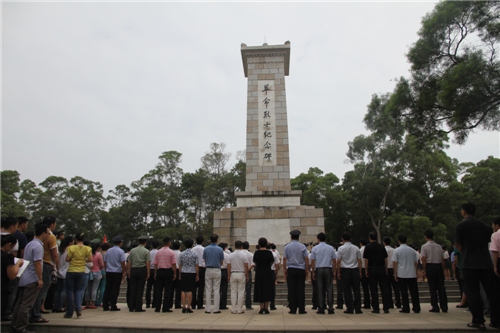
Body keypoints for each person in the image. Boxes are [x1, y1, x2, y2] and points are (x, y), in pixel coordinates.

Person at [455, 203, 500, 330]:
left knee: (473, 292)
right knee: (492, 292)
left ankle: (478, 321)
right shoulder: (485, 226)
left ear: (463, 212)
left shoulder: (461, 225)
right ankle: (496, 320)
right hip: (486, 263)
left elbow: (458, 244)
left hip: (470, 263)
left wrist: (467, 253)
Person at [11, 224, 50, 333]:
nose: (48, 236)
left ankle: (15, 325)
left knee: (20, 303)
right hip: (32, 278)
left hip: (24, 277)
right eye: (48, 233)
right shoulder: (38, 246)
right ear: (43, 234)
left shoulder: (29, 244)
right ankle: (21, 328)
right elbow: (38, 263)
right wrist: (40, 279)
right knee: (26, 304)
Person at [31, 217, 59, 323]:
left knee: (36, 291)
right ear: (52, 224)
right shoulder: (51, 237)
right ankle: (36, 314)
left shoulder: (34, 239)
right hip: (46, 264)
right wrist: (55, 266)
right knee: (42, 290)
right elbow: (55, 254)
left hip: (37, 264)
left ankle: (34, 312)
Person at [64, 232, 92, 318]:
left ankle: (69, 311)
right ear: (83, 240)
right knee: (78, 290)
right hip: (81, 271)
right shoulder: (87, 248)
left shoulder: (71, 248)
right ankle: (78, 308)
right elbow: (90, 259)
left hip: (71, 270)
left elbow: (67, 259)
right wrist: (83, 260)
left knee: (69, 291)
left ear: (75, 240)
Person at [391, 234, 420, 313]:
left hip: (402, 274)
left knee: (403, 292)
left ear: (399, 241)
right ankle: (416, 307)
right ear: (406, 241)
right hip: (412, 273)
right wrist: (417, 272)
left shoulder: (396, 250)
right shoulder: (412, 250)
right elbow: (415, 263)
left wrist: (395, 273)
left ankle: (406, 307)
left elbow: (395, 263)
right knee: (414, 292)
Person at [421, 229, 448, 313]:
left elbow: (424, 259)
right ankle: (444, 306)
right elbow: (442, 258)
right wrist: (442, 269)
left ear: (426, 237)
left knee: (432, 287)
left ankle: (435, 306)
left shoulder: (424, 246)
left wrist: (424, 270)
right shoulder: (439, 246)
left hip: (430, 266)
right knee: (441, 287)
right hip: (438, 265)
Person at [364, 231, 391, 314]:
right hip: (381, 268)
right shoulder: (381, 246)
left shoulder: (367, 247)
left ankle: (376, 308)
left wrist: (366, 270)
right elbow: (385, 259)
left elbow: (366, 260)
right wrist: (386, 269)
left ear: (369, 238)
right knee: (384, 288)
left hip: (372, 268)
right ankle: (386, 307)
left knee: (373, 289)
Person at [283, 230, 309, 315]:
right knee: (301, 289)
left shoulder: (287, 246)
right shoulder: (303, 246)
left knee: (291, 289)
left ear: (291, 237)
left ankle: (292, 309)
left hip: (291, 269)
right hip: (301, 269)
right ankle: (301, 309)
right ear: (298, 237)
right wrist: (307, 269)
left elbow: (284, 258)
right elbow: (306, 258)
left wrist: (284, 269)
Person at [310, 232, 337, 315]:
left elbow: (313, 261)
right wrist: (334, 271)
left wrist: (313, 271)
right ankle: (331, 308)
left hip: (319, 269)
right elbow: (334, 260)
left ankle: (321, 308)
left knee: (320, 289)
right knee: (329, 289)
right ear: (326, 239)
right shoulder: (331, 248)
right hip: (328, 269)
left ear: (318, 240)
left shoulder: (315, 248)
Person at [336, 232, 362, 314]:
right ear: (350, 239)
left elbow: (339, 261)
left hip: (345, 270)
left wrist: (338, 272)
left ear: (342, 239)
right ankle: (358, 308)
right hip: (355, 270)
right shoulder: (356, 248)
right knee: (356, 290)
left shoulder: (341, 249)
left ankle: (349, 308)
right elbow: (359, 261)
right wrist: (360, 271)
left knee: (347, 290)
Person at [2, 234, 24, 321]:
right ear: (8, 245)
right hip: (3, 287)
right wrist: (18, 264)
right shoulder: (8, 256)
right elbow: (12, 275)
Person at [126, 236, 150, 312]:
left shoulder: (132, 250)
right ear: (145, 243)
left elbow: (129, 261)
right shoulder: (146, 251)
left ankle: (131, 306)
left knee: (133, 288)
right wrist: (148, 272)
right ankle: (138, 306)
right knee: (140, 289)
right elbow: (148, 263)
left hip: (133, 269)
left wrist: (129, 271)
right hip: (141, 270)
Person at [153, 237, 177, 313]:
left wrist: (156, 273)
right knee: (168, 290)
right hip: (168, 271)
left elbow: (155, 264)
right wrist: (175, 273)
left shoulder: (158, 252)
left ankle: (157, 307)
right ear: (169, 243)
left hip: (160, 271)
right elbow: (173, 264)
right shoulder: (171, 252)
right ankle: (165, 307)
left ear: (163, 243)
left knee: (158, 290)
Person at [103, 235, 126, 312]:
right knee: (115, 289)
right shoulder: (121, 251)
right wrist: (123, 272)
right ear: (120, 243)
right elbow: (123, 263)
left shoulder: (108, 251)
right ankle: (113, 305)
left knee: (108, 288)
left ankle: (105, 305)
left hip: (109, 271)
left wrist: (106, 270)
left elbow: (105, 261)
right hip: (117, 272)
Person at [203, 234, 224, 314]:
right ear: (217, 240)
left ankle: (207, 309)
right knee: (216, 289)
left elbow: (205, 260)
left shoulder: (206, 249)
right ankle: (216, 308)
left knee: (208, 289)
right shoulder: (220, 249)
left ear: (210, 240)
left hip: (208, 269)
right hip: (217, 270)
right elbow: (222, 261)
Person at [253, 238, 275, 314]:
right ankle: (266, 307)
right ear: (266, 244)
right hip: (267, 272)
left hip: (259, 272)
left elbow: (255, 262)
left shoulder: (256, 253)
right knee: (267, 288)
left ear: (259, 244)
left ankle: (261, 307)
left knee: (259, 288)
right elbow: (271, 262)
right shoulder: (269, 253)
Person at [227, 240, 248, 314]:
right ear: (242, 247)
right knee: (241, 292)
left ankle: (233, 308)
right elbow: (246, 266)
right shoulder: (244, 255)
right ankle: (239, 309)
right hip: (241, 273)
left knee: (233, 292)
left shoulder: (231, 255)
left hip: (233, 273)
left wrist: (228, 275)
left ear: (235, 246)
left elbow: (229, 266)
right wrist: (247, 275)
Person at [53, 236, 73, 313]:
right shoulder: (69, 250)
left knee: (57, 290)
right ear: (70, 243)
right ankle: (60, 306)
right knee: (63, 291)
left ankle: (55, 306)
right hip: (65, 272)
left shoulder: (61, 250)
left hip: (59, 272)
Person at [178, 239, 199, 313]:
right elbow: (196, 265)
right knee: (190, 290)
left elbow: (180, 265)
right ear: (192, 245)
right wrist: (197, 275)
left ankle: (183, 306)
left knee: (183, 290)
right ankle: (189, 307)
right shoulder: (195, 254)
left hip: (183, 272)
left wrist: (179, 274)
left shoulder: (182, 254)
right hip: (192, 272)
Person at [383, 237, 401, 309]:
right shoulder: (394, 250)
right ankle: (398, 302)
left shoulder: (384, 250)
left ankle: (390, 303)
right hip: (394, 269)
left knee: (387, 288)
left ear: (384, 242)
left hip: (387, 269)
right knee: (396, 287)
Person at [85, 243, 104, 309]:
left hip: (89, 271)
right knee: (94, 289)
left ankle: (87, 303)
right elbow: (101, 264)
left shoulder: (89, 254)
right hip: (97, 271)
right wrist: (100, 269)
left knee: (88, 289)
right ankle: (92, 303)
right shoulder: (99, 255)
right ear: (98, 248)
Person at [191, 236, 206, 310]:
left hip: (193, 269)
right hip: (202, 269)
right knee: (201, 288)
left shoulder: (192, 249)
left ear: (196, 241)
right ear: (203, 242)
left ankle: (193, 304)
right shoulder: (204, 249)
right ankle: (200, 304)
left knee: (193, 287)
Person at [95, 242, 110, 307]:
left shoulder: (98, 254)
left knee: (96, 288)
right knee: (103, 287)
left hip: (98, 270)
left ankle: (95, 301)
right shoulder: (108, 254)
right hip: (104, 270)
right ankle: (100, 302)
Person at [145, 240, 159, 308]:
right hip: (156, 270)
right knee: (156, 288)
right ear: (158, 246)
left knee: (148, 288)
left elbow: (147, 262)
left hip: (149, 270)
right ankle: (154, 303)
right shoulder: (159, 253)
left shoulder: (148, 252)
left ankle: (148, 303)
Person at [242, 241, 254, 310]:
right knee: (248, 290)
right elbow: (252, 264)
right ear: (248, 247)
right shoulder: (250, 254)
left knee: (239, 290)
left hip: (240, 272)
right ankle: (248, 305)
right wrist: (247, 270)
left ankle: (238, 305)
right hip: (248, 272)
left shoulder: (239, 254)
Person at [268, 243, 280, 310]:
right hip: (272, 272)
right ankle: (272, 304)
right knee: (272, 289)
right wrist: (276, 273)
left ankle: (264, 305)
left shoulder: (258, 253)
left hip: (264, 272)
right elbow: (277, 264)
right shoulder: (274, 254)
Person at [359, 238, 370, 309]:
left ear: (360, 243)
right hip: (370, 268)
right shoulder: (369, 249)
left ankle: (367, 303)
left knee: (365, 287)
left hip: (362, 269)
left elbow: (359, 261)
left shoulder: (359, 250)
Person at [219, 243, 230, 310]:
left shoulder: (217, 255)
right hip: (225, 272)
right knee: (224, 289)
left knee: (218, 289)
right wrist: (229, 275)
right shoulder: (227, 255)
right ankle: (223, 305)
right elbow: (229, 266)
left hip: (218, 271)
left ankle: (218, 304)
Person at [172, 241, 182, 309]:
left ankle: (169, 303)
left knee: (170, 288)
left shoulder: (171, 253)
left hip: (171, 271)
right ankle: (177, 304)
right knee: (178, 289)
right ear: (179, 247)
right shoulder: (181, 254)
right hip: (178, 271)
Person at [491, 217, 500, 289]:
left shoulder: (495, 235)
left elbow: (495, 252)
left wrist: (495, 266)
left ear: (497, 225)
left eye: (493, 225)